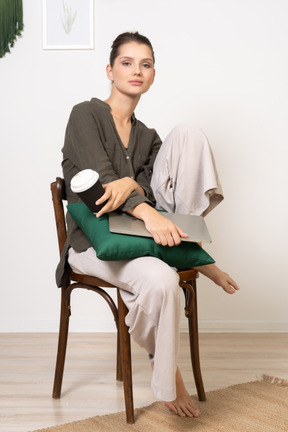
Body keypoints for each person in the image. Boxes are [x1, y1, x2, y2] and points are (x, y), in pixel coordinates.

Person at [56, 31, 239, 418]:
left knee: (187, 135)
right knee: (161, 281)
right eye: (127, 62)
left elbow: (153, 195)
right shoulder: (85, 114)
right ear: (109, 69)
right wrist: (134, 196)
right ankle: (168, 375)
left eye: (146, 64)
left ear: (153, 75)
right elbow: (101, 184)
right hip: (94, 242)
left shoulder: (149, 137)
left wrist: (133, 187)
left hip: (138, 237)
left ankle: (185, 246)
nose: (136, 70)